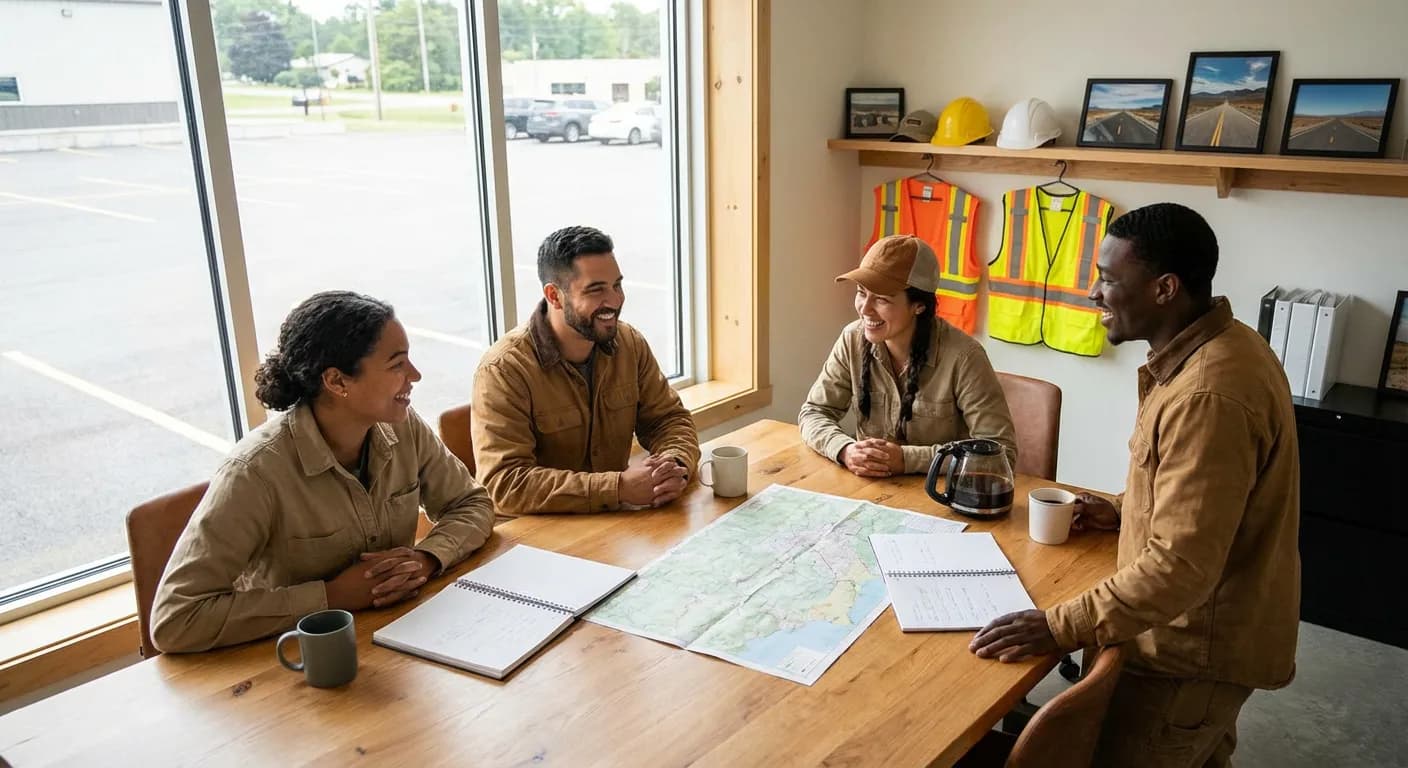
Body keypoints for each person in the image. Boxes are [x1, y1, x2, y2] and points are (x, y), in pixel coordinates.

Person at [968, 203, 1300, 767]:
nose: (1094, 294)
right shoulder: (1225, 348)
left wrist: (1057, 626)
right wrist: (1124, 510)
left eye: (1108, 279)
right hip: (1210, 635)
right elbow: (1208, 498)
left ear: (1165, 288)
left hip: (1188, 655)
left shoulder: (1206, 395)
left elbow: (1181, 566)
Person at [152, 291, 495, 653]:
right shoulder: (254, 473)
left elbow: (472, 504)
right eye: (397, 365)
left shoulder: (403, 426)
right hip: (294, 666)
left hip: (397, 640)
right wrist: (330, 597)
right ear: (337, 382)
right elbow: (175, 618)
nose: (415, 375)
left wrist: (426, 559)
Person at [471, 225, 699, 517]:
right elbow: (505, 484)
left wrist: (674, 465)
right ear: (555, 296)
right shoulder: (503, 370)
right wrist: (616, 488)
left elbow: (668, 420)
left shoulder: (630, 343)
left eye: (617, 285)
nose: (614, 301)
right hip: (539, 539)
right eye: (596, 290)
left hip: (612, 525)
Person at [800, 234, 1016, 477]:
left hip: (942, 496)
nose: (865, 308)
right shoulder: (852, 338)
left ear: (919, 306)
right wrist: (845, 449)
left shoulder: (965, 357)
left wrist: (907, 460)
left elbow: (1001, 454)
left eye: (881, 299)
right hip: (871, 491)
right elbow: (814, 412)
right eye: (862, 292)